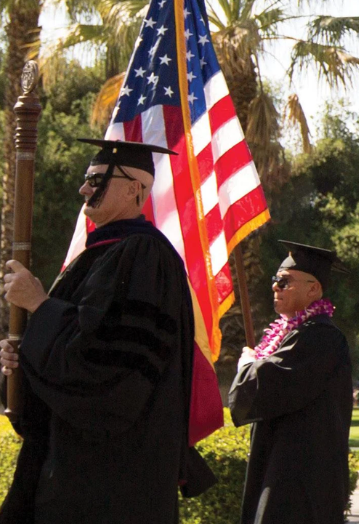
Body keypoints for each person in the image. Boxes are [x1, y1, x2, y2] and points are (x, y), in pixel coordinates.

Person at [0, 139, 209, 523]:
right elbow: (70, 359)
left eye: (97, 179)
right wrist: (23, 360)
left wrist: (41, 308)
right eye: (86, 178)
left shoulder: (146, 258)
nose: (84, 189)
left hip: (114, 480)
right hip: (69, 469)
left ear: (134, 189)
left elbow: (106, 367)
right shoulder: (96, 258)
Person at [229, 241, 351, 524]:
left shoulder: (321, 337)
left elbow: (269, 384)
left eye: (285, 281)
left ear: (313, 289)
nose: (276, 287)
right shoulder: (293, 336)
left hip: (300, 482)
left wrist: (247, 366)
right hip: (280, 469)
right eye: (275, 280)